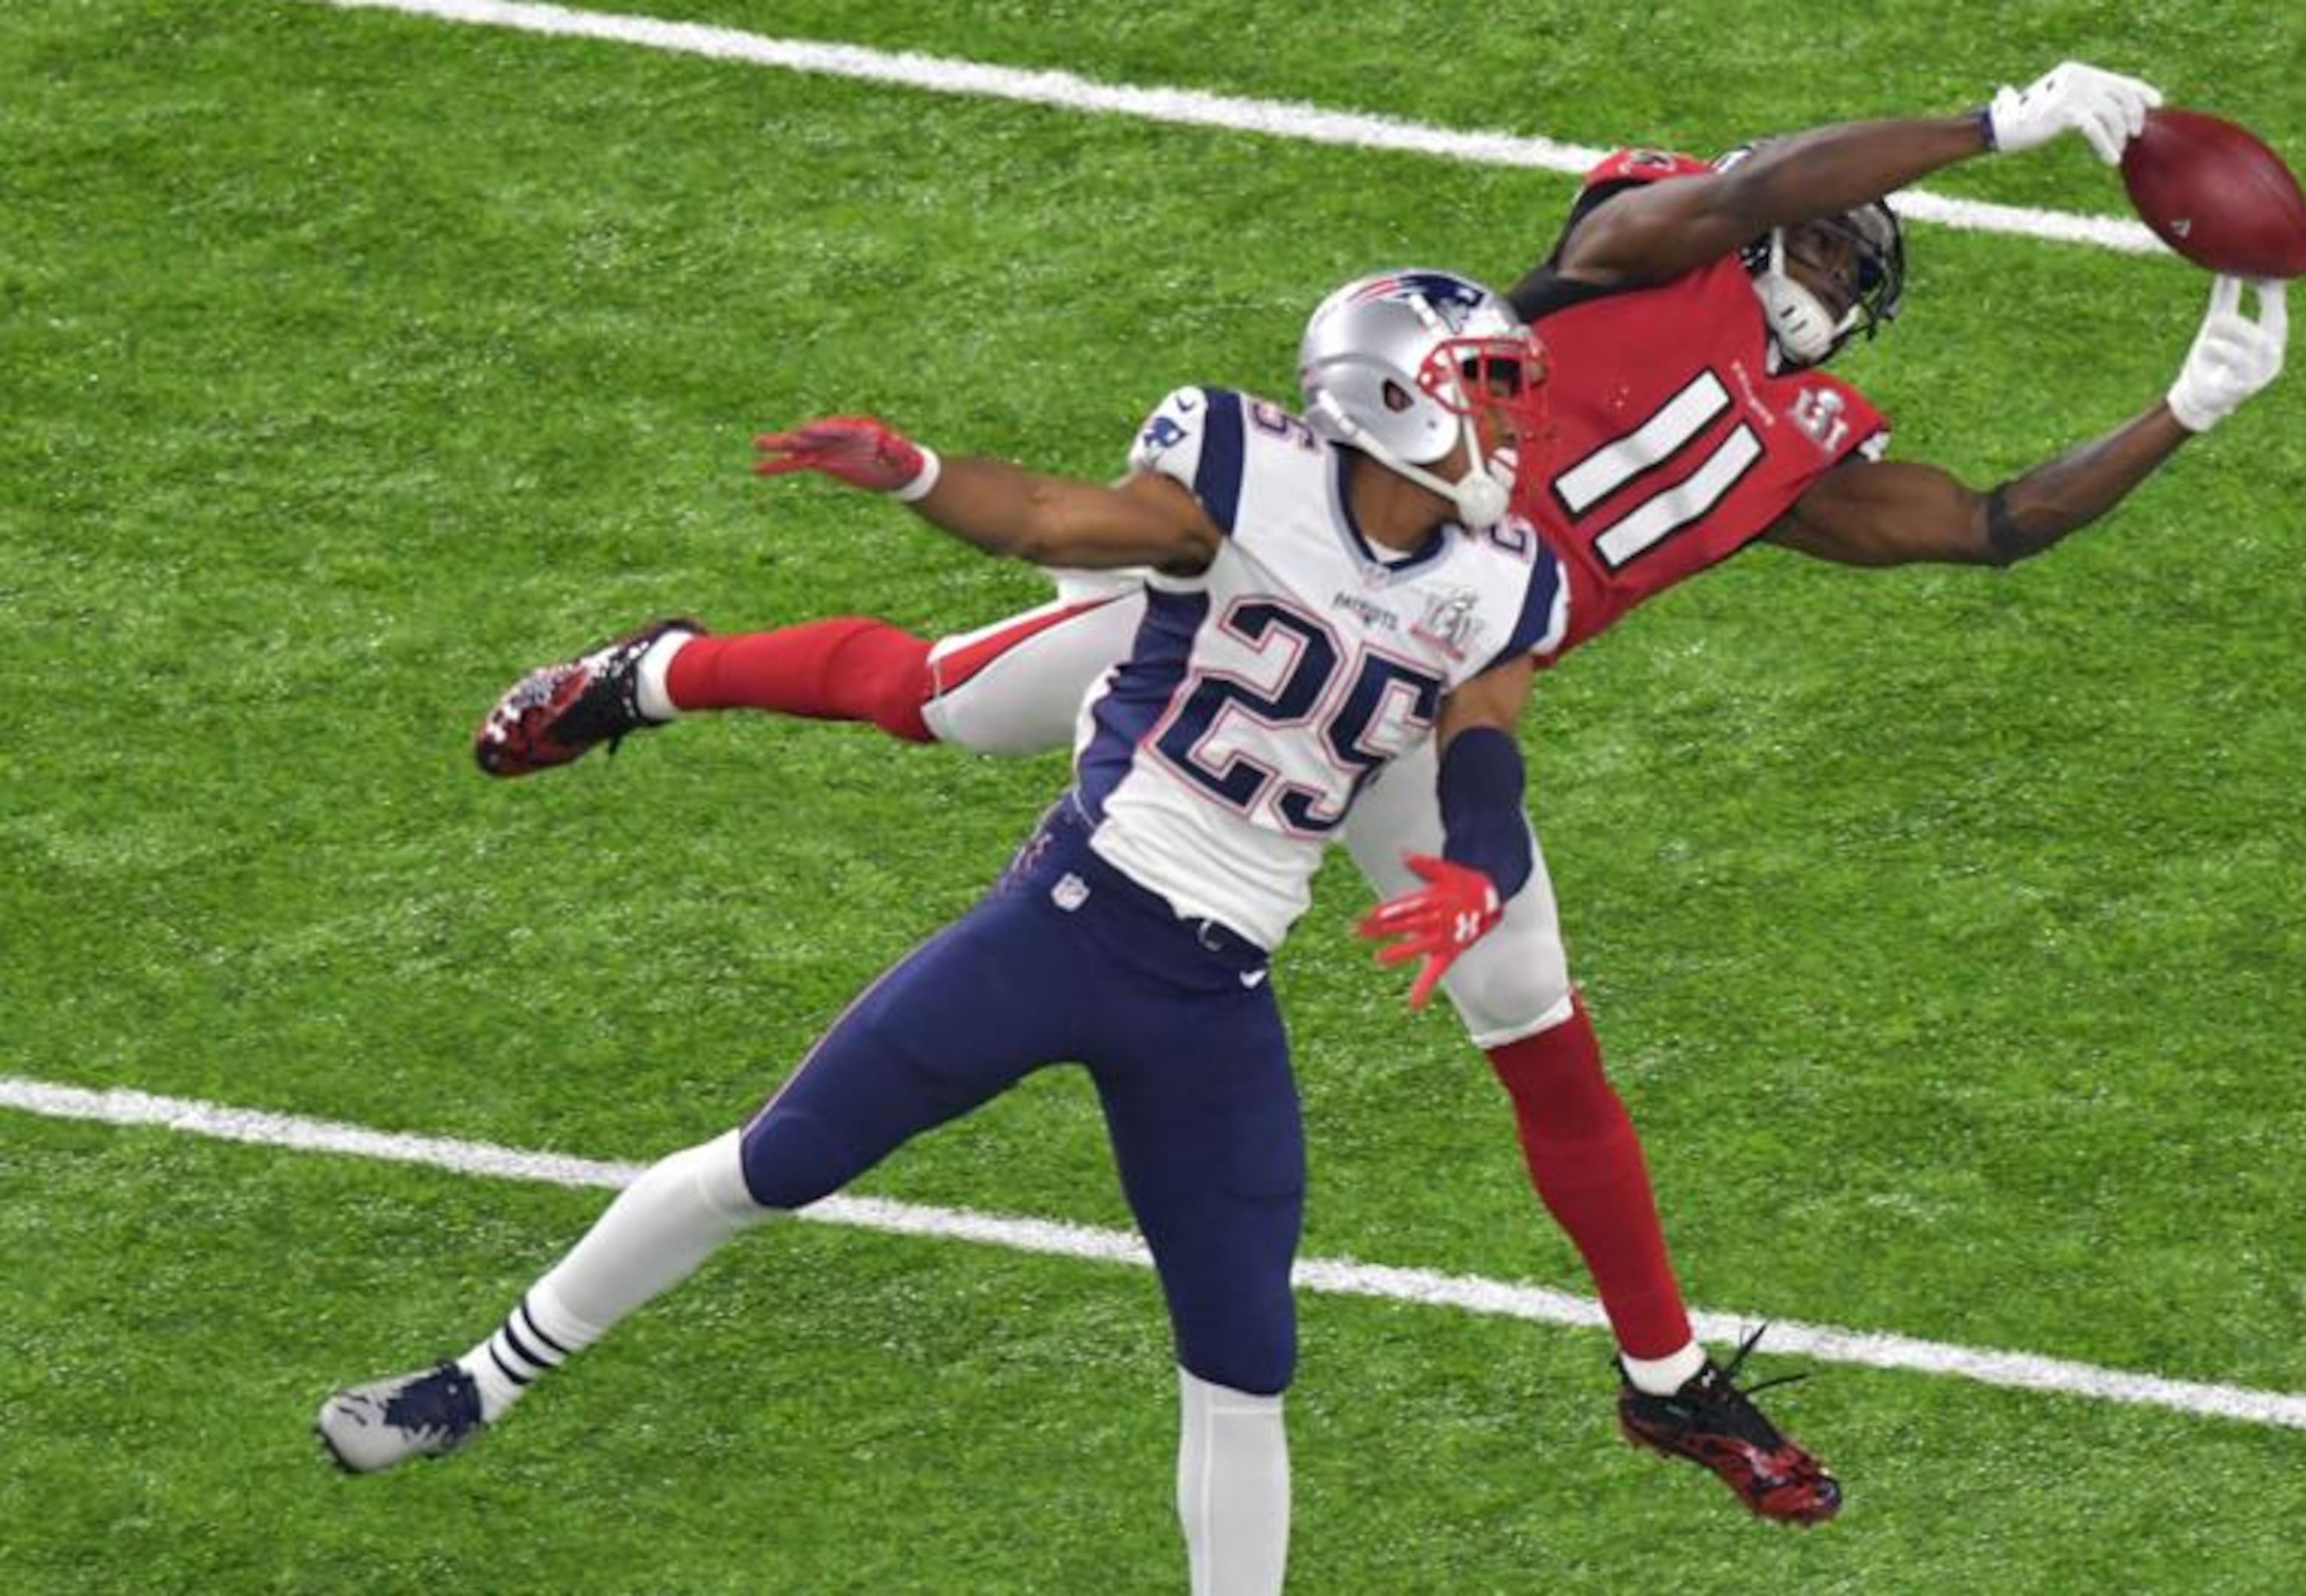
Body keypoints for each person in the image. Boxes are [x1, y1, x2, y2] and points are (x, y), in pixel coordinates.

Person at [468, 61, 2290, 1524]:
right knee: (946, 704)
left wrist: (2190, 405)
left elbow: (1987, 528)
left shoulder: (1809, 451)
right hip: (1289, 610)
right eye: (1827, 246)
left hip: (1442, 708)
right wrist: (1999, 122)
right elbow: (1746, 194)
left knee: (1538, 1024)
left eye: (1847, 261)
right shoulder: (1647, 246)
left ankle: (1664, 1385)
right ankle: (657, 671)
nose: (1834, 279)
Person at [321, 270, 1568, 1596]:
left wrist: (1479, 870)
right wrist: (914, 471)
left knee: (1246, 1357)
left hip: (1218, 991)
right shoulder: (1245, 477)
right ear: (1386, 396)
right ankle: (478, 1382)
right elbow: (1047, 517)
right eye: (1487, 391)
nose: (1512, 425)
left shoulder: (1501, 581)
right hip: (1073, 923)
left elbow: (1482, 747)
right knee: (777, 1162)